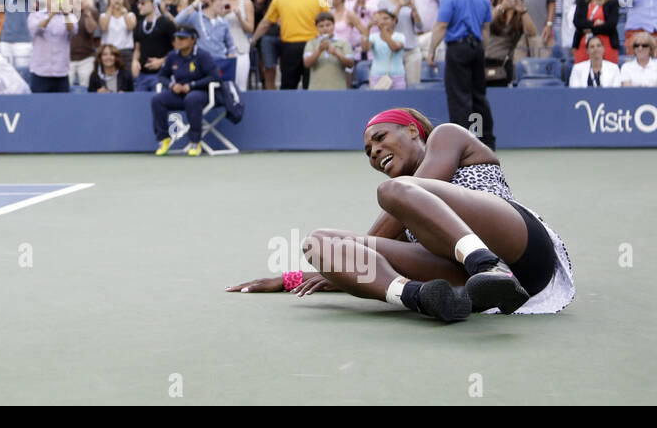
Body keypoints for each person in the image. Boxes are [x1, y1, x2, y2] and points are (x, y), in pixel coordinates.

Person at [229, 108, 574, 320]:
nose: (374, 151)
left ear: (412, 130)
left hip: (521, 248)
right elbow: (370, 256)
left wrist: (340, 269)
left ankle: (489, 265)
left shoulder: (447, 136)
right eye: (368, 151)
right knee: (319, 242)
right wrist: (302, 274)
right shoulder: (404, 201)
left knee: (393, 191)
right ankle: (416, 296)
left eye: (379, 138)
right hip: (464, 278)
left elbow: (373, 242)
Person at [426, 0, 496, 149]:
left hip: (458, 48)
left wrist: (431, 50)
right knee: (478, 96)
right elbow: (486, 29)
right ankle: (486, 140)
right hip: (477, 47)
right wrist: (483, 50)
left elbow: (441, 25)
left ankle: (462, 144)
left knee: (458, 96)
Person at [250, 0, 329, 90]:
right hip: (312, 46)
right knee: (311, 86)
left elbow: (266, 23)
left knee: (288, 85)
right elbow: (329, 19)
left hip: (290, 48)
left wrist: (254, 39)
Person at [151, 26, 218, 158]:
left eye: (183, 38)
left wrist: (192, 86)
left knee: (192, 98)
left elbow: (214, 77)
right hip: (178, 94)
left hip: (201, 94)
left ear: (193, 39)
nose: (178, 41)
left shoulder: (203, 55)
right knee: (157, 99)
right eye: (177, 38)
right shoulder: (172, 56)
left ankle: (195, 141)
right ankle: (163, 139)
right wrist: (172, 85)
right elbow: (162, 76)